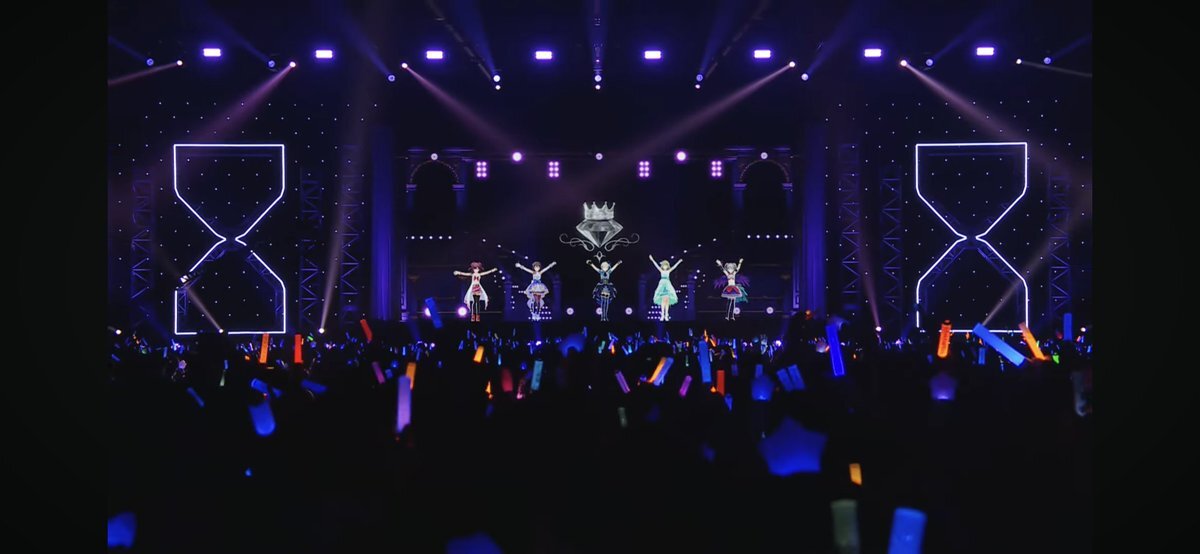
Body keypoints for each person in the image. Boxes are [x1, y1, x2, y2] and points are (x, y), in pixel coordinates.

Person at [648, 255, 683, 321]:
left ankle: (666, 315)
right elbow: (656, 265)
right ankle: (662, 315)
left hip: (667, 285)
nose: (665, 266)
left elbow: (674, 267)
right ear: (662, 266)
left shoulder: (668, 271)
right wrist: (652, 259)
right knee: (663, 300)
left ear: (667, 266)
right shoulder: (661, 270)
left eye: (666, 265)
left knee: (667, 300)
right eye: (664, 265)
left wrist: (679, 262)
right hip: (662, 285)